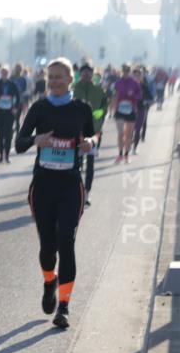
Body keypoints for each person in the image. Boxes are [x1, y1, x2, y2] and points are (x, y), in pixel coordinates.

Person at [15, 57, 95, 329]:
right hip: (43, 186)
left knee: (66, 243)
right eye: (51, 77)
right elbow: (19, 143)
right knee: (48, 248)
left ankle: (64, 307)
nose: (54, 82)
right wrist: (36, 140)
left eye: (59, 77)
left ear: (70, 79)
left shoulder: (82, 109)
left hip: (71, 185)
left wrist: (90, 143)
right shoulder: (39, 108)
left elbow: (94, 136)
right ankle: (50, 280)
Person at [72, 63, 107, 206]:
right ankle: (77, 191)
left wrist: (100, 114)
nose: (86, 75)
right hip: (76, 132)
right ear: (80, 74)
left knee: (91, 164)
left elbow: (104, 108)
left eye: (89, 73)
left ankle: (87, 193)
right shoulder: (74, 89)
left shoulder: (98, 90)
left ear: (93, 74)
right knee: (76, 164)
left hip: (93, 132)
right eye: (84, 72)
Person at [0, 65, 21, 163]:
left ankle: (6, 156)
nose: (4, 75)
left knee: (8, 134)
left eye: (6, 73)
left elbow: (18, 97)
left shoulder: (13, 85)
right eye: (2, 73)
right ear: (0, 74)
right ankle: (0, 155)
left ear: (8, 74)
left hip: (9, 113)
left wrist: (15, 108)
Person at [111, 63, 142, 165]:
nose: (125, 73)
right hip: (120, 111)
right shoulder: (118, 83)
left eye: (127, 71)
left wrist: (133, 95)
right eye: (124, 71)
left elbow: (139, 96)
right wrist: (113, 108)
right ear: (122, 71)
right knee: (120, 133)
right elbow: (114, 96)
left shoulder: (135, 83)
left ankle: (126, 155)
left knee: (128, 135)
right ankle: (120, 155)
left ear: (130, 72)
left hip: (131, 110)